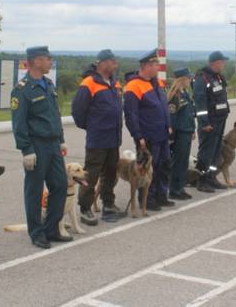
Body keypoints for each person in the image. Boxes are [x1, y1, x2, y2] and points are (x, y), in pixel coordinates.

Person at [10, 46, 70, 249]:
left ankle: (51, 228)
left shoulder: (49, 84)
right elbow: (19, 123)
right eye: (47, 58)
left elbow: (55, 114)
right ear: (36, 61)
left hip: (53, 143)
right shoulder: (22, 89)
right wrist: (26, 149)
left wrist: (61, 139)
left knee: (60, 185)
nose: (50, 61)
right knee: (34, 191)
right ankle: (36, 232)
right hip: (36, 145)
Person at [71, 49, 123, 225]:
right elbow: (78, 111)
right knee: (91, 173)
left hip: (113, 137)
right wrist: (91, 127)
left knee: (110, 172)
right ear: (103, 63)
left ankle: (108, 204)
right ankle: (85, 208)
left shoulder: (114, 83)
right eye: (113, 61)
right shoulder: (89, 83)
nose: (115, 64)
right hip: (98, 138)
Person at [123, 49, 173, 211]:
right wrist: (138, 136)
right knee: (147, 169)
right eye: (155, 65)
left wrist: (169, 124)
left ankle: (161, 195)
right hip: (148, 135)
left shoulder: (156, 82)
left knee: (163, 165)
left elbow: (163, 107)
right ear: (146, 66)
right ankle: (148, 199)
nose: (157, 68)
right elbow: (131, 115)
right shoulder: (133, 86)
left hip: (162, 133)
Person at [193, 51, 231, 193]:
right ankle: (202, 181)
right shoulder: (202, 78)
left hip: (220, 120)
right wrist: (204, 123)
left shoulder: (217, 77)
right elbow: (200, 103)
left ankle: (211, 177)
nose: (224, 64)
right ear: (214, 62)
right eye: (222, 61)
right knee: (206, 153)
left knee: (215, 152)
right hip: (209, 123)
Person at [167, 68, 196, 200]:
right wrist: (172, 135)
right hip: (179, 132)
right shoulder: (175, 95)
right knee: (178, 161)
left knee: (184, 162)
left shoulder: (185, 94)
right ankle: (174, 189)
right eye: (188, 78)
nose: (190, 80)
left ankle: (181, 186)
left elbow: (190, 114)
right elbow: (172, 117)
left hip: (187, 130)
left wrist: (193, 129)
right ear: (182, 79)